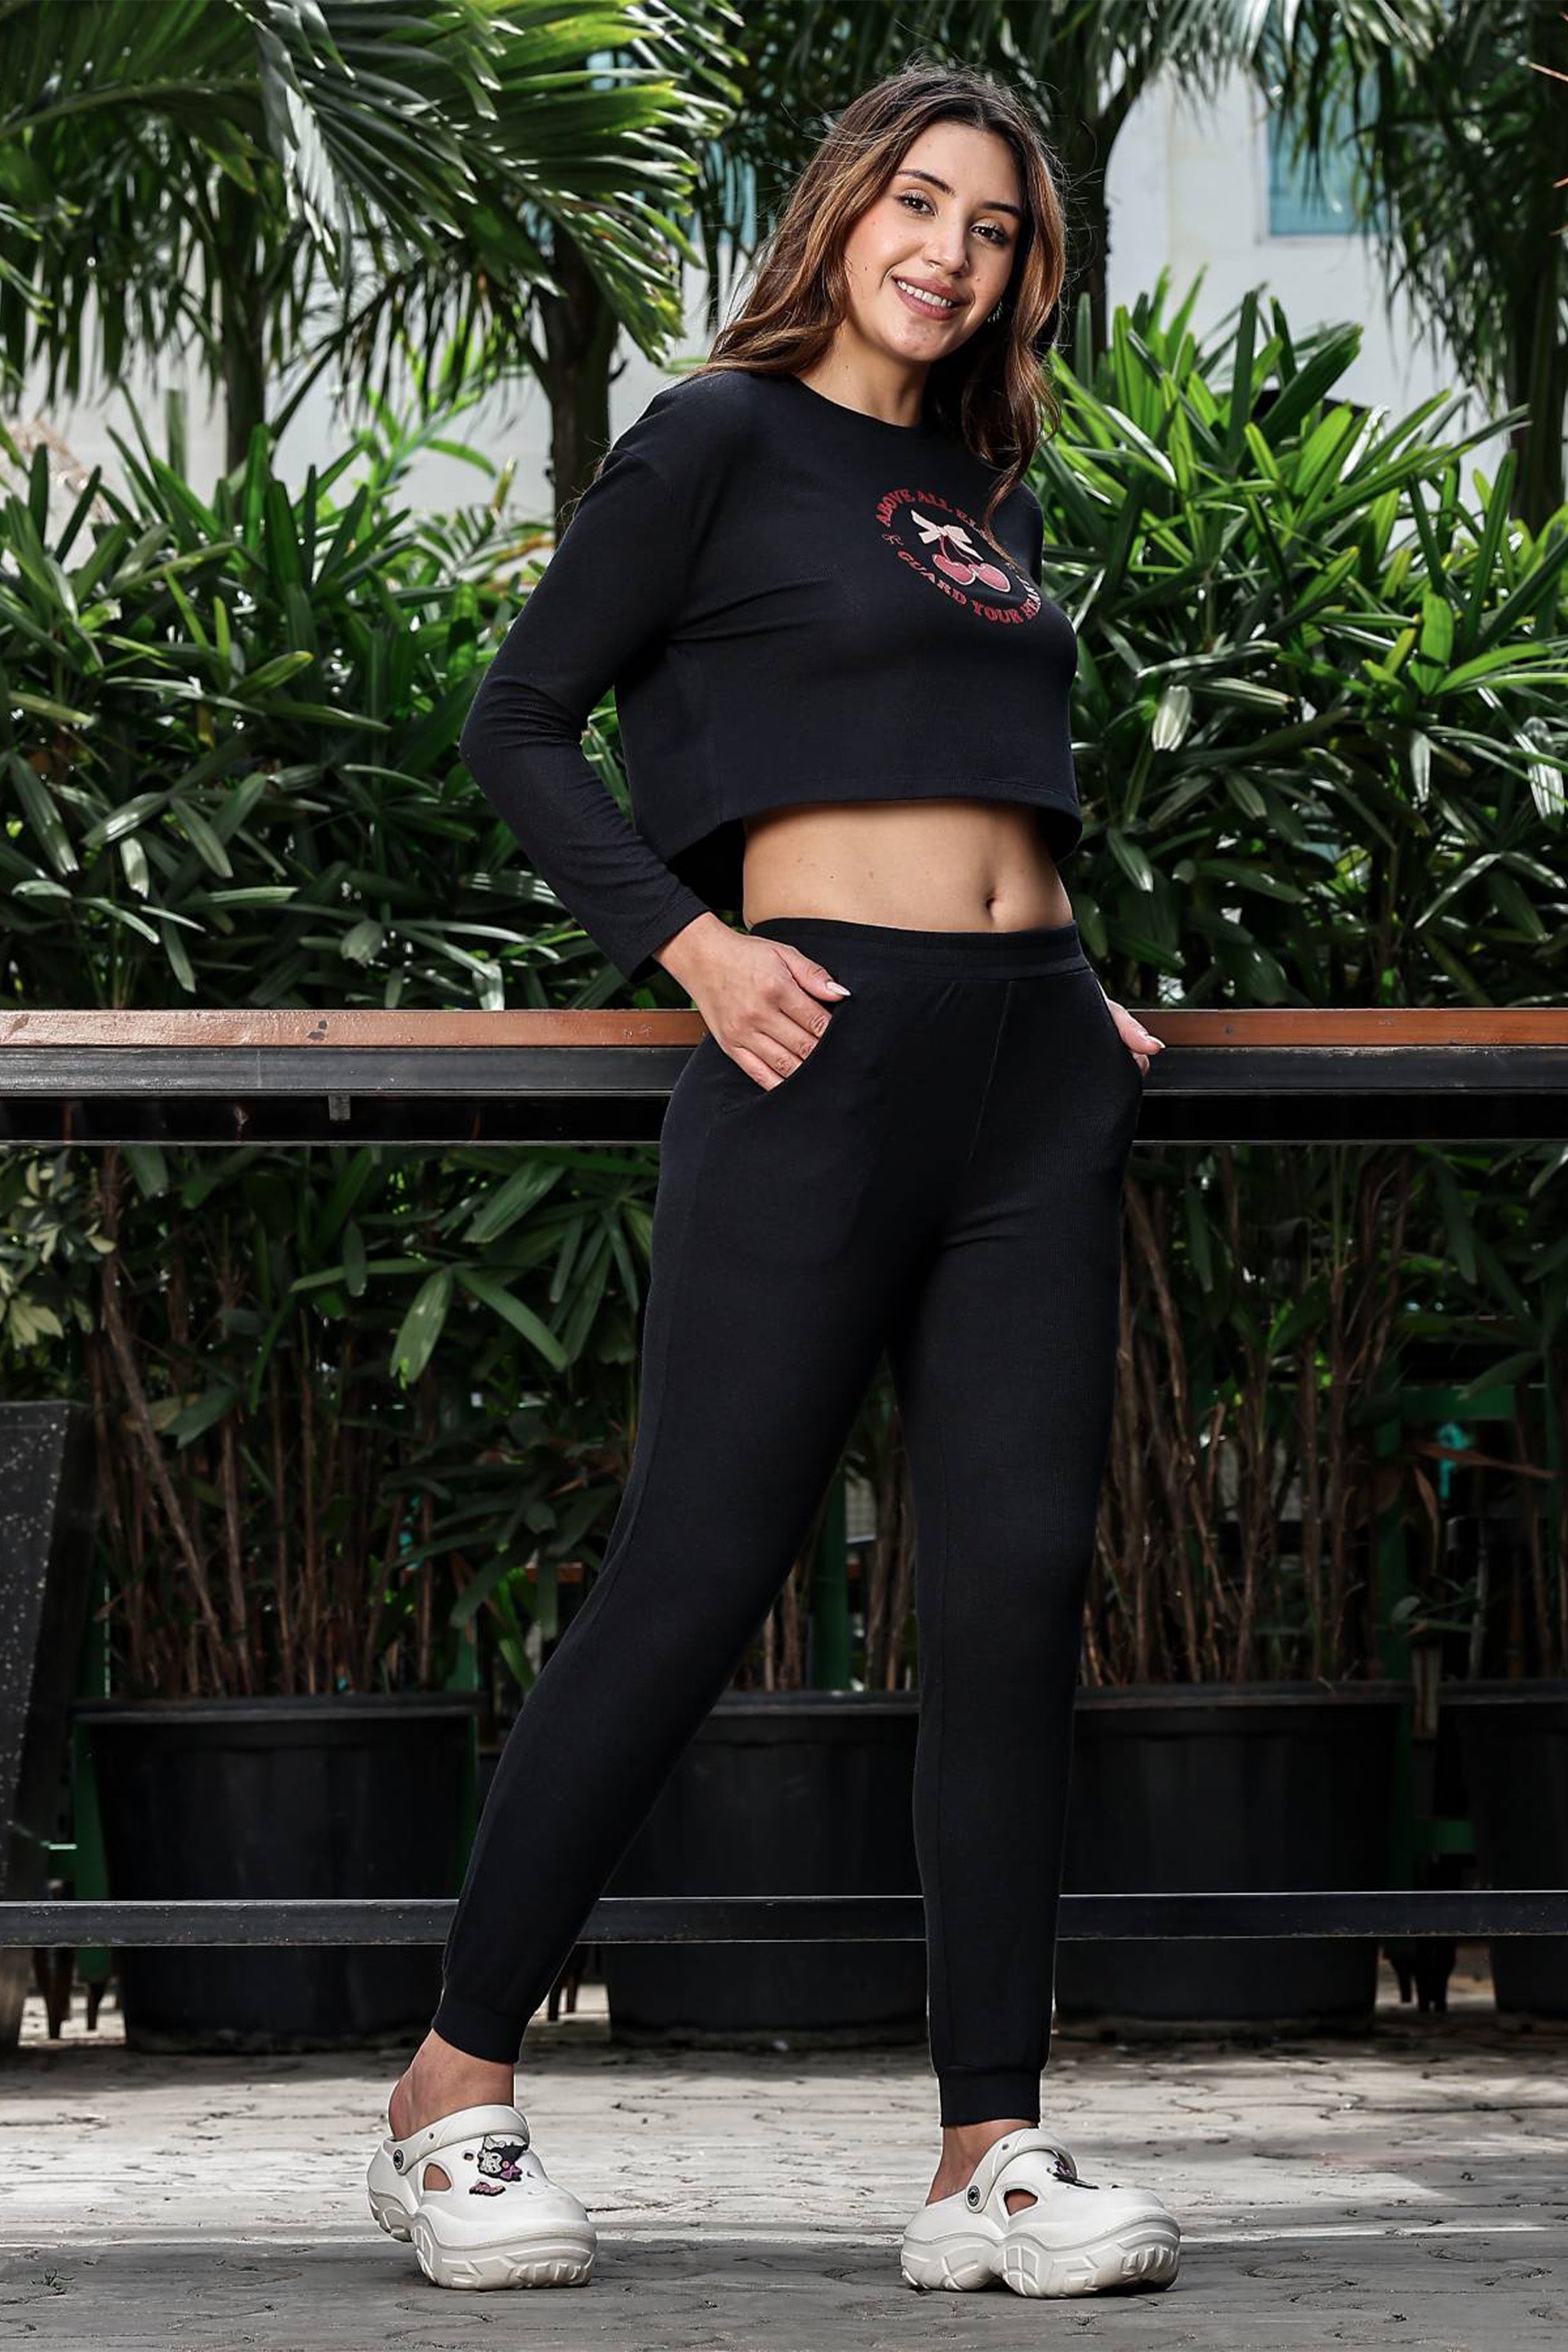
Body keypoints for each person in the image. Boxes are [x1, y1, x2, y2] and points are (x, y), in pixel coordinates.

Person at [365, 58, 1176, 2301]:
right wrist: (695, 946)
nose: (952, 253)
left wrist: (1067, 980)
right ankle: (449, 2091)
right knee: (697, 1568)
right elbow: (517, 720)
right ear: (839, 214)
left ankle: (989, 2154)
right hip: (814, 1051)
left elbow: (968, 772)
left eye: (995, 229)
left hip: (1032, 1068)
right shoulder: (715, 440)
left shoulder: (982, 486)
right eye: (918, 204)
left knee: (1010, 1595)